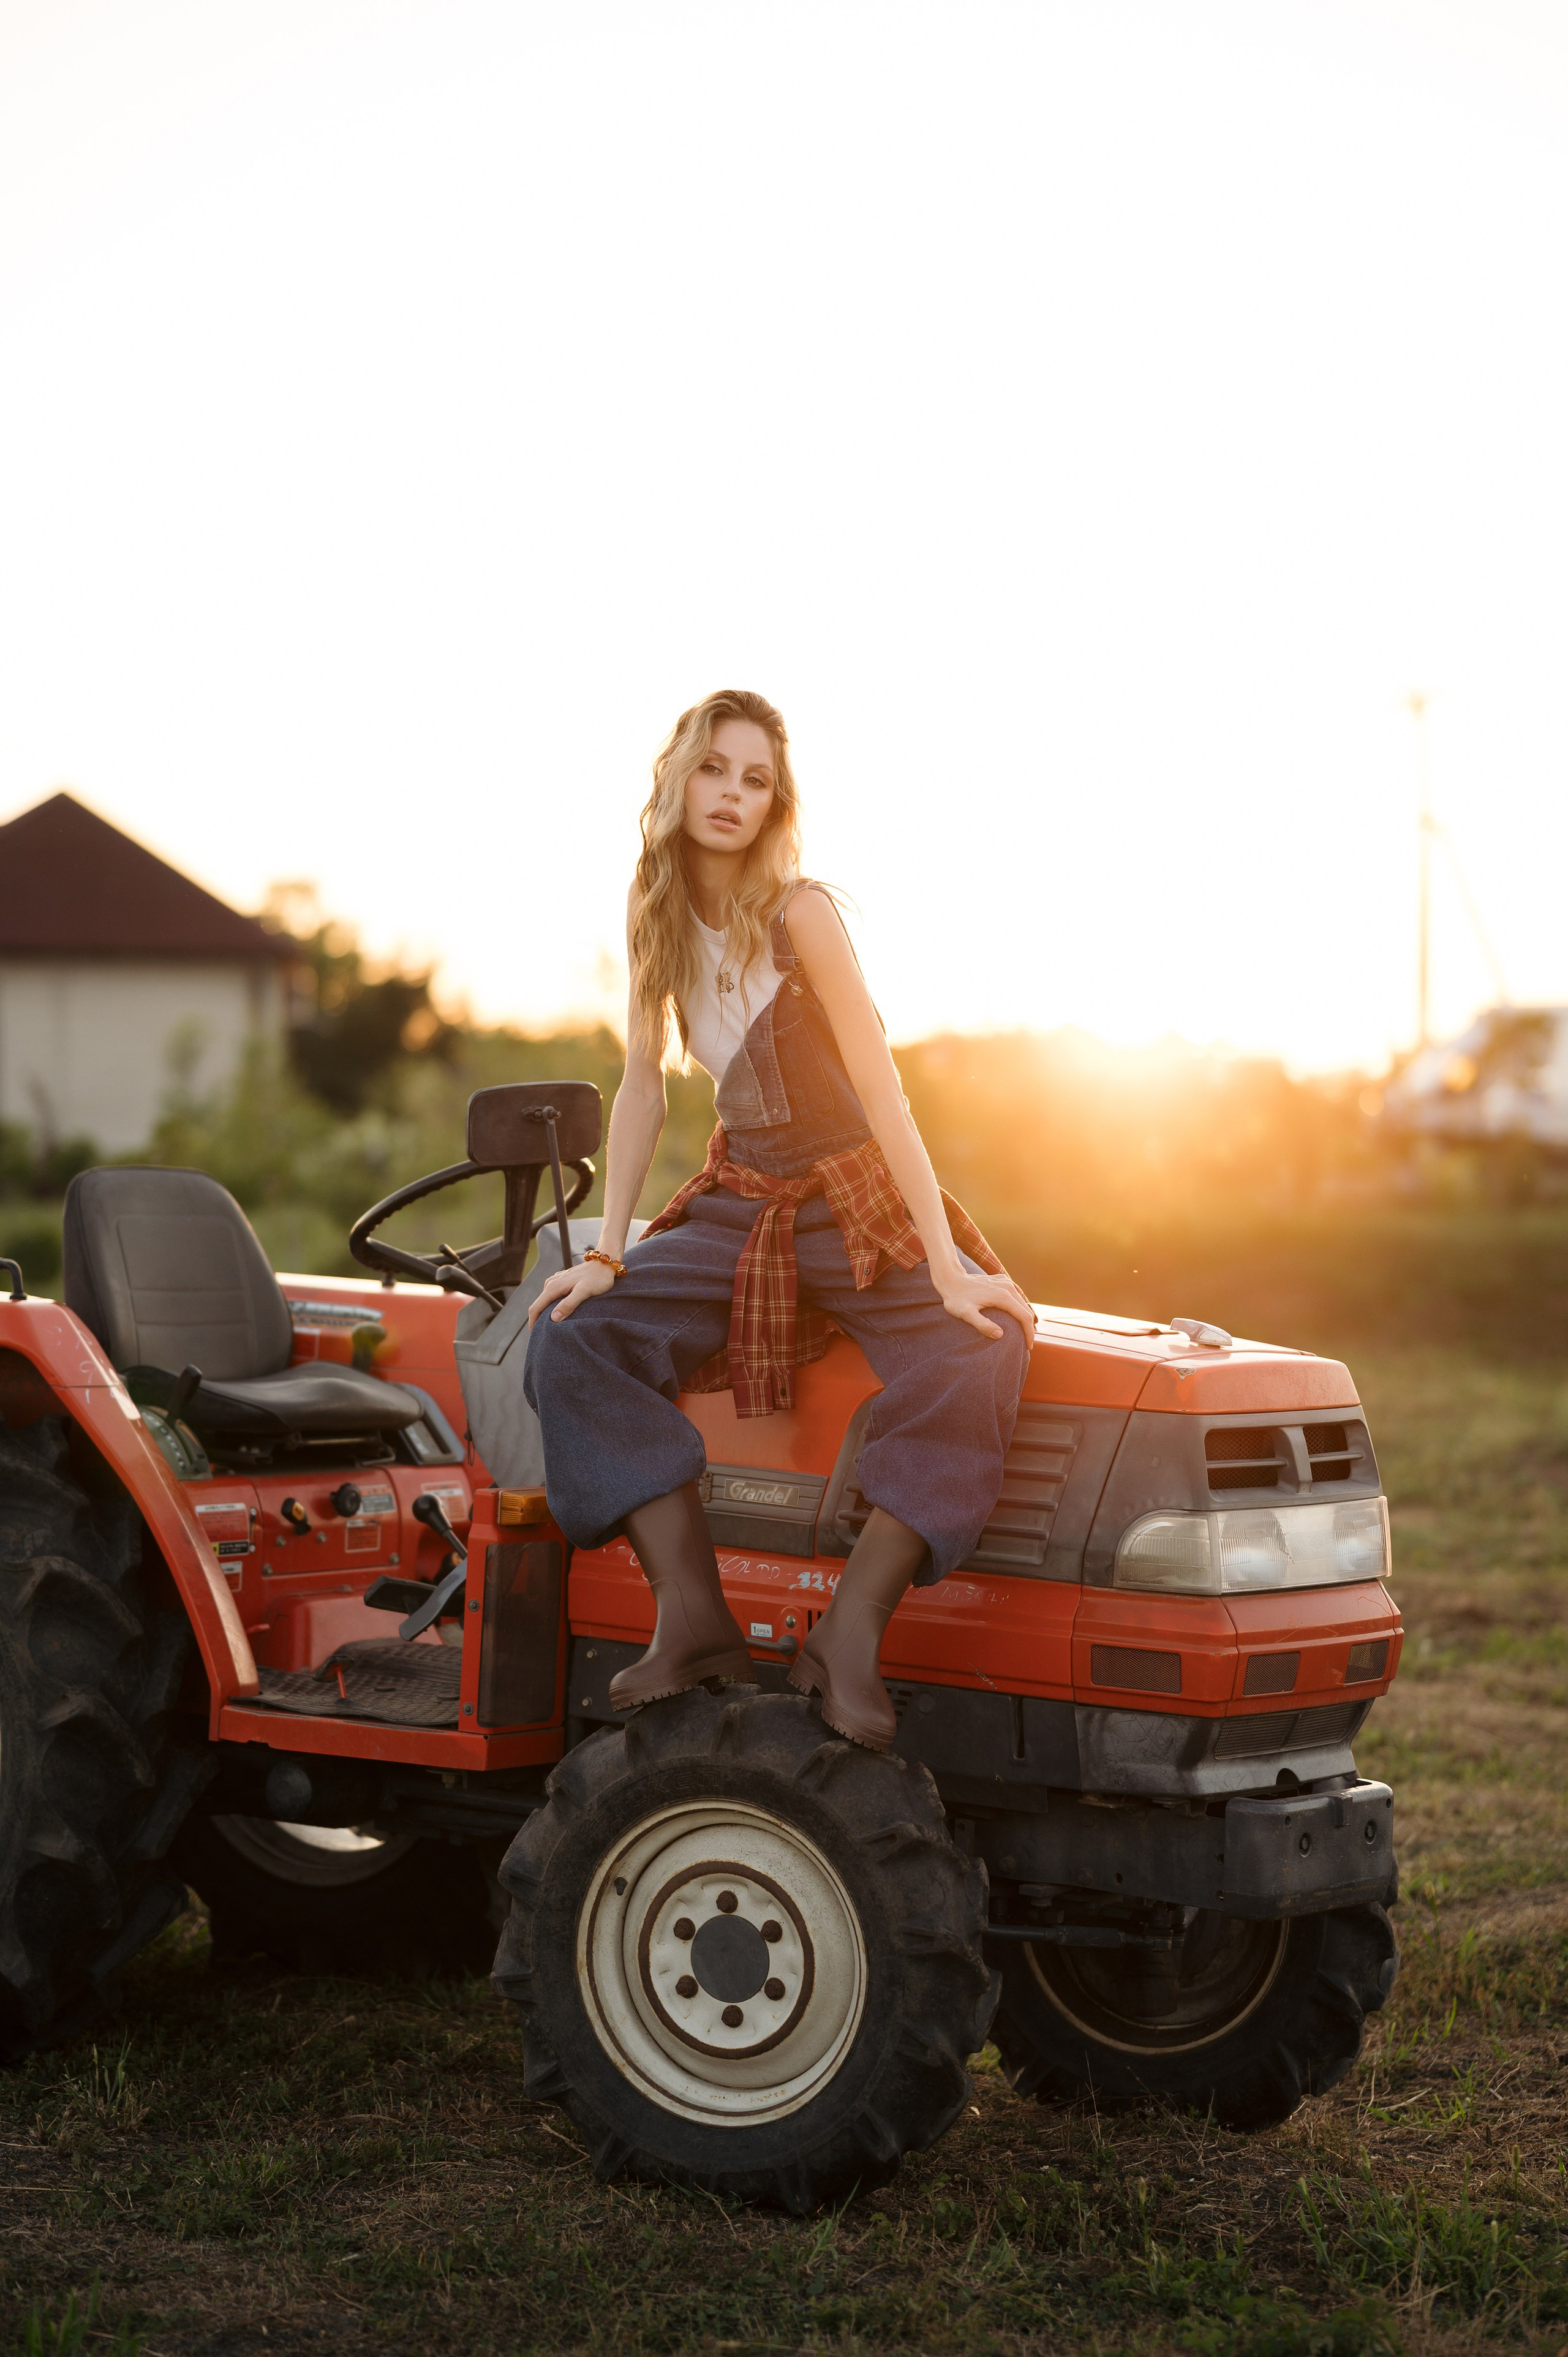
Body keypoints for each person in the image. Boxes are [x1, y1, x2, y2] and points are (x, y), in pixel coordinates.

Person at [525, 688, 1035, 1749]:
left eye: (756, 779)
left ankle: (849, 1634)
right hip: (745, 1194)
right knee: (571, 1336)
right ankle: (694, 1615)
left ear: (774, 803)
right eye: (716, 769)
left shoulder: (803, 914)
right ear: (680, 777)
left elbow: (883, 1091)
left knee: (984, 1345)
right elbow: (642, 1089)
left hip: (854, 1195)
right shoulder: (652, 907)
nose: (732, 795)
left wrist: (945, 1264)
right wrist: (609, 1250)